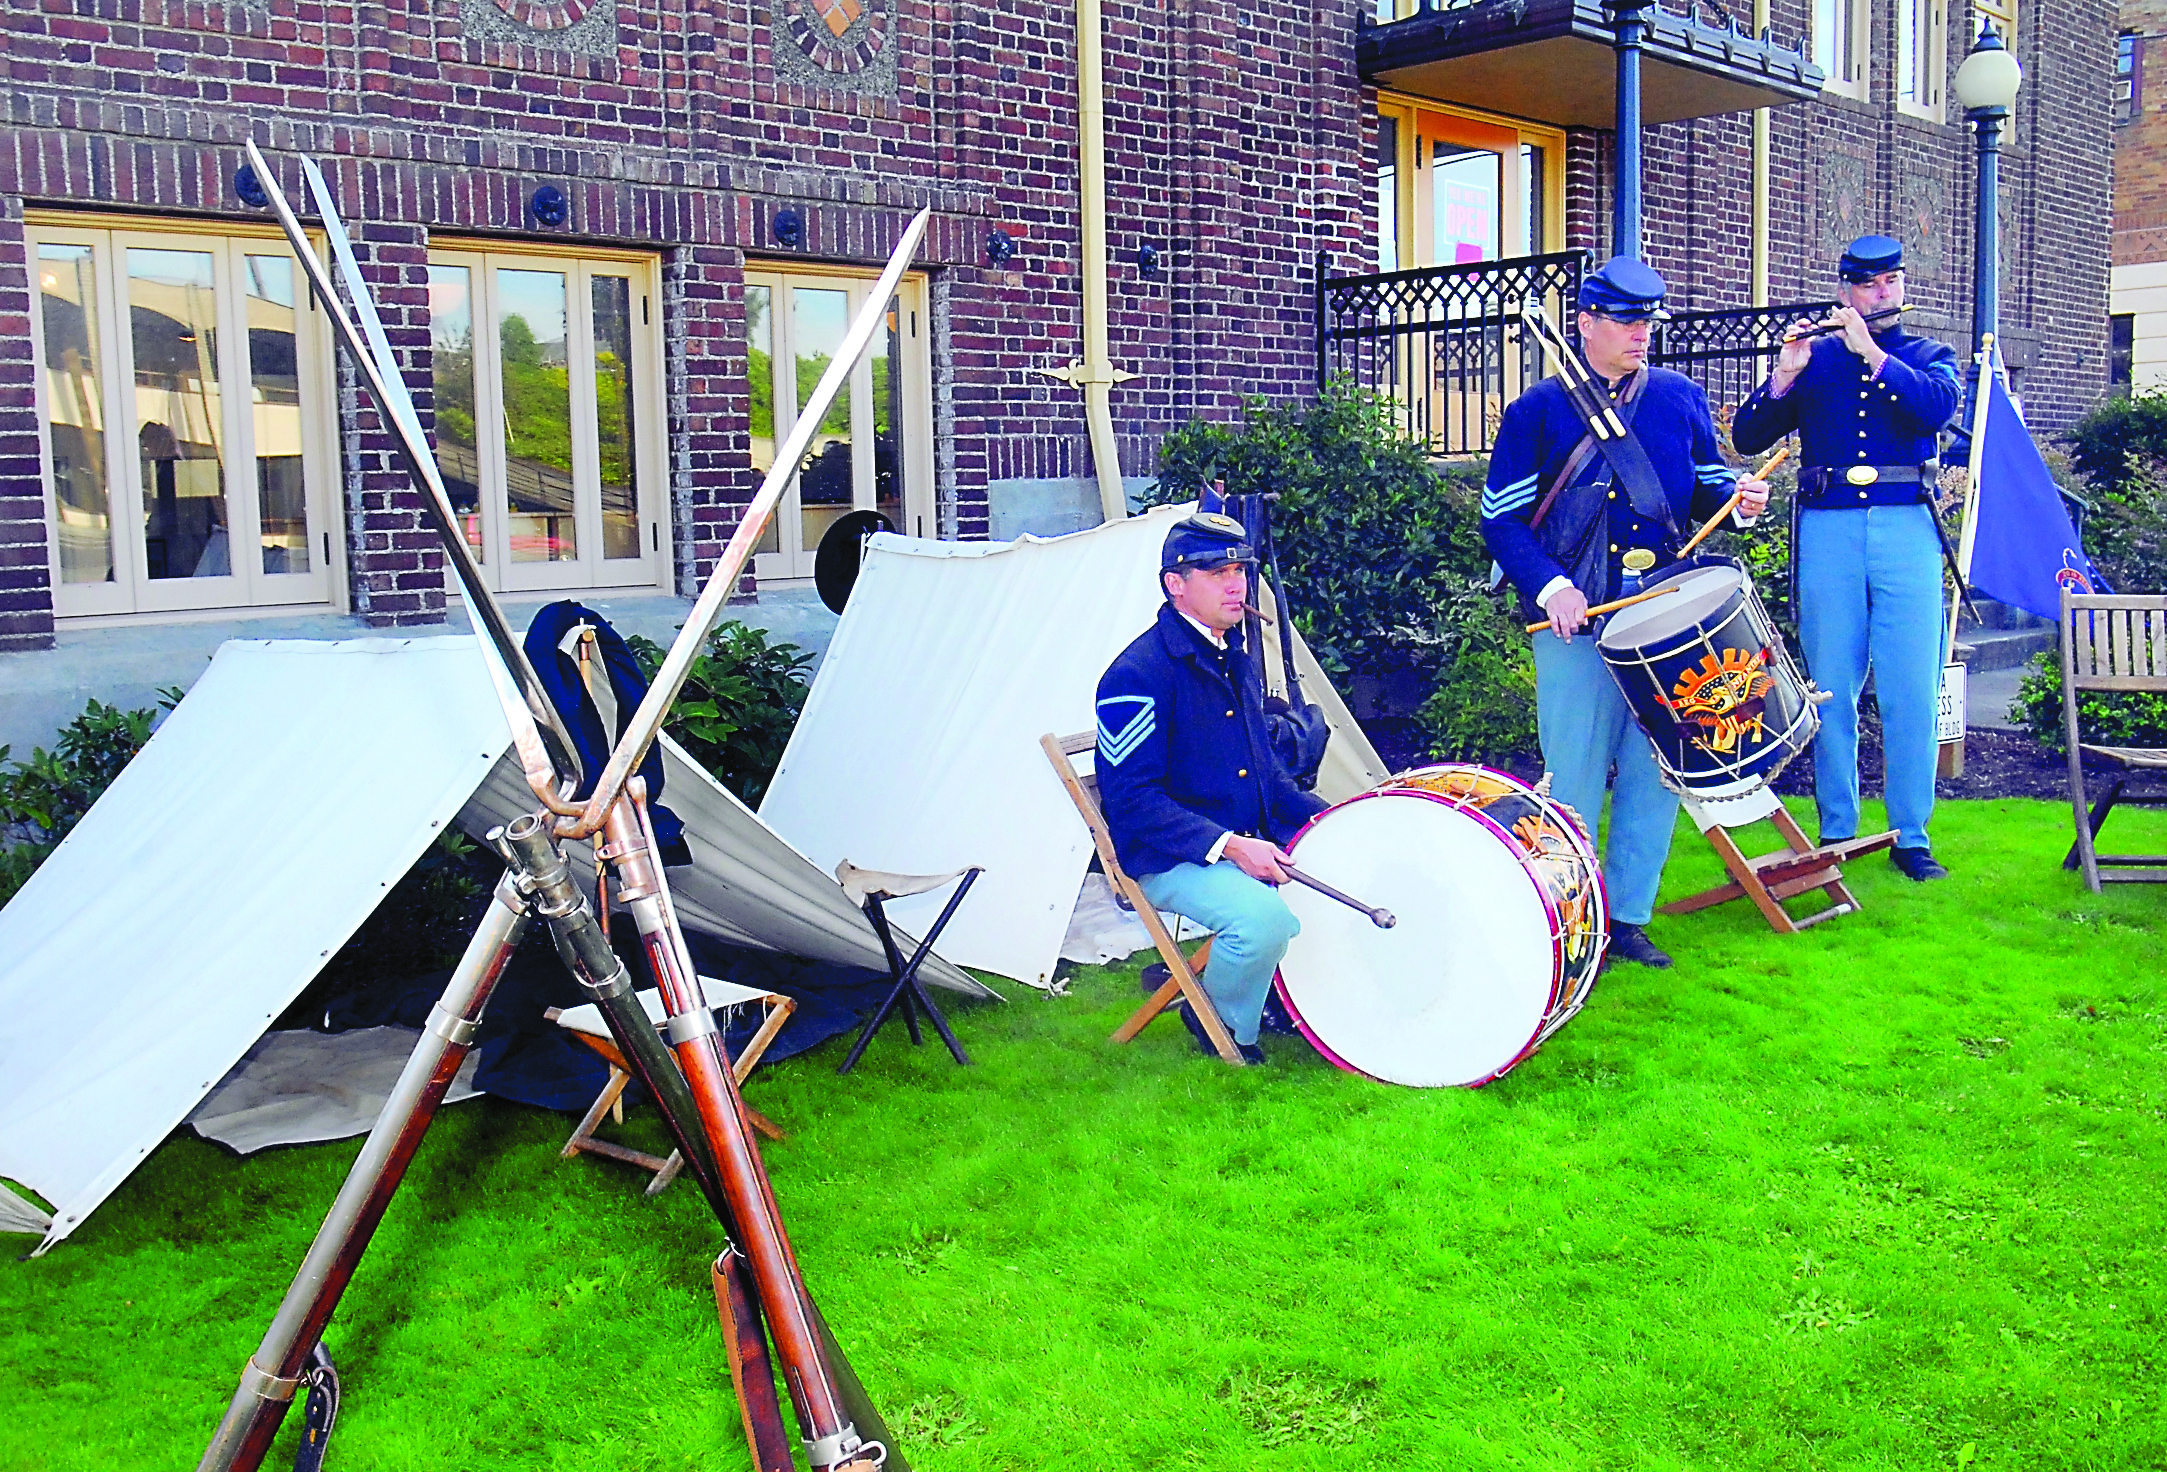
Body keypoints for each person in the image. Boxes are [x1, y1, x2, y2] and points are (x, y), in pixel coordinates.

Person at [1482, 256, 1771, 970]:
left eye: (1648, 321)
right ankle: (1573, 921)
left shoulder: (1677, 398)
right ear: (1585, 324)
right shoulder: (1537, 412)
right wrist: (1553, 588)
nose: (1641, 333)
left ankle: (1628, 918)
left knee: (1656, 769)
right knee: (1574, 774)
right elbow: (1502, 522)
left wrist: (1740, 502)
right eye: (1627, 321)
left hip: (1664, 615)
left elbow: (1706, 492)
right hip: (1575, 618)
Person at [1731, 234, 1963, 881]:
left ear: (1902, 286)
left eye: (1889, 282)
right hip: (1829, 524)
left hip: (1906, 527)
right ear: (1844, 292)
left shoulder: (1926, 355)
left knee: (1909, 689)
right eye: (1866, 285)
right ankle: (1836, 827)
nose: (1879, 294)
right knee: (1830, 685)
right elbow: (1747, 435)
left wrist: (1871, 354)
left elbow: (1937, 409)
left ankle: (1910, 835)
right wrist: (1783, 373)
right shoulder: (1817, 362)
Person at [1095, 511, 1330, 1064]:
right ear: (1175, 585)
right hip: (1167, 857)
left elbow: (1266, 773)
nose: (1236, 583)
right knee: (1262, 919)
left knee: (1348, 858)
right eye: (1216, 571)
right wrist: (1230, 846)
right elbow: (1132, 802)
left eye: (1240, 570)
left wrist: (1334, 820)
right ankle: (1219, 1025)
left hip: (1244, 839)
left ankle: (1293, 1005)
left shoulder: (1234, 656)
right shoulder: (1136, 675)